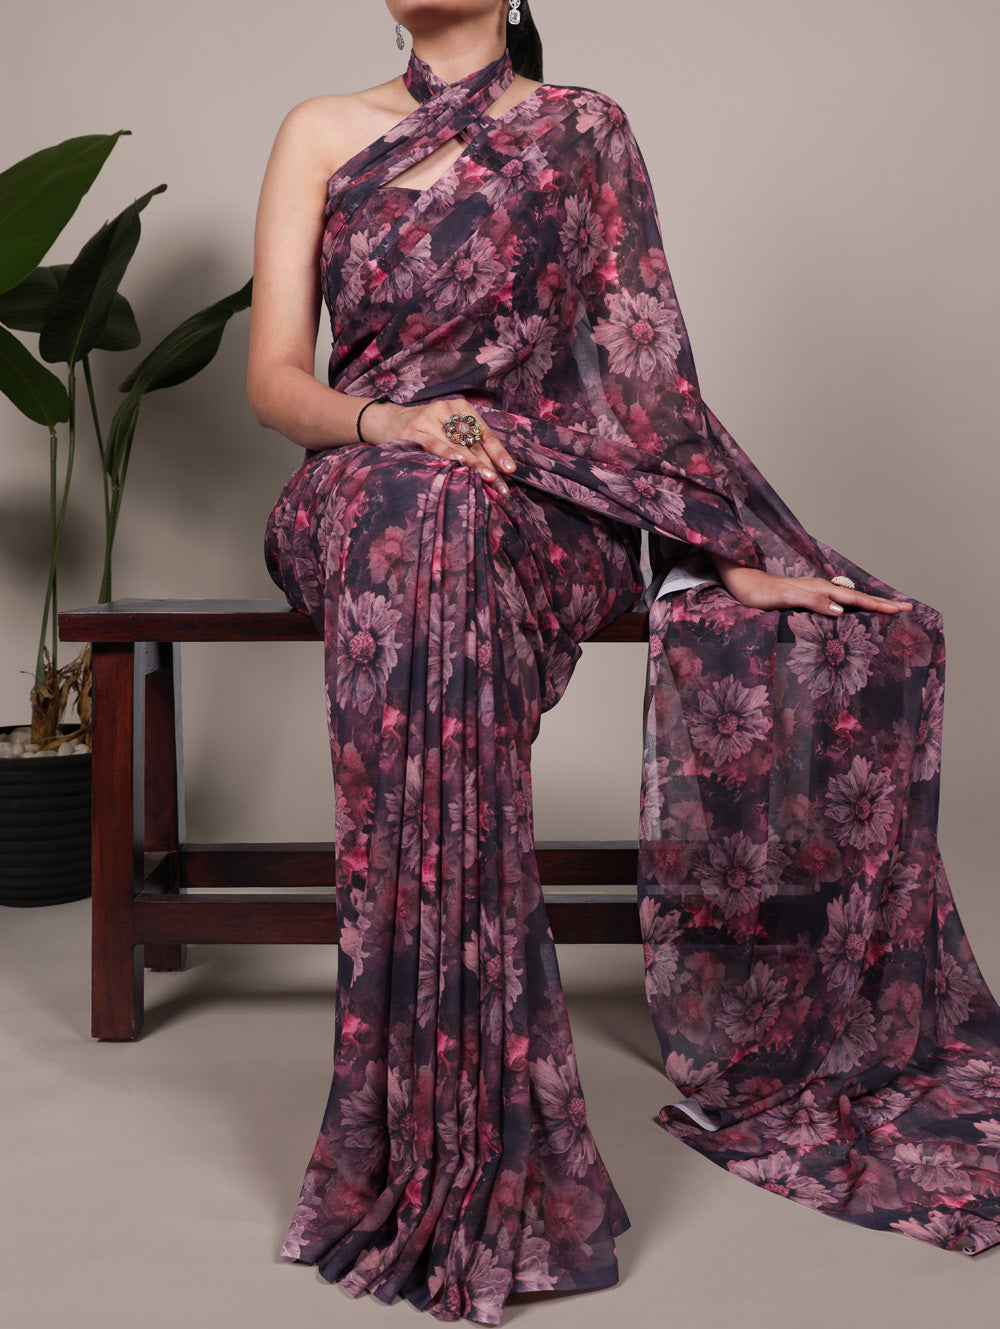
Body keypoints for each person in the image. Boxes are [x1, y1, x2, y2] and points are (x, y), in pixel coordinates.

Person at [247, 2, 1000, 1322]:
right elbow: (274, 380)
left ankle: (463, 1126)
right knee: (424, 513)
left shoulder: (584, 131)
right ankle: (435, 1120)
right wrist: (398, 424)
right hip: (358, 484)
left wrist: (727, 548)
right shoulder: (318, 128)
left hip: (538, 494)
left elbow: (645, 387)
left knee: (462, 520)